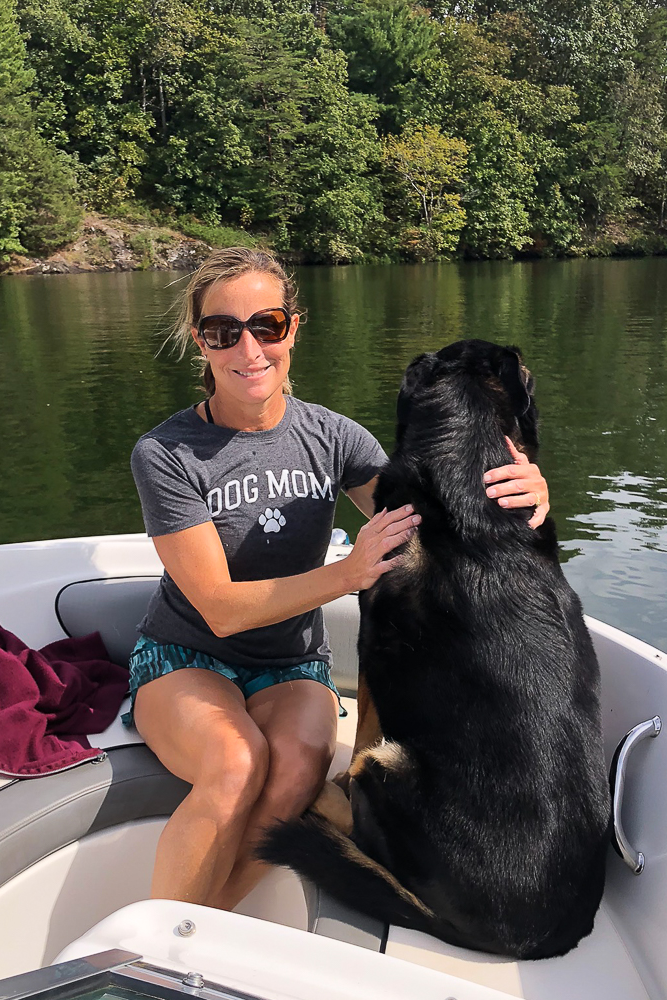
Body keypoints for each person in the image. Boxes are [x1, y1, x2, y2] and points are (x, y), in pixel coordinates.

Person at [128, 247, 551, 907]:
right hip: (186, 657)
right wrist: (349, 572)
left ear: (293, 328)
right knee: (237, 763)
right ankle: (159, 954)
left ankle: (193, 933)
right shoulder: (166, 454)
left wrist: (524, 496)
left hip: (292, 665)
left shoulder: (331, 437)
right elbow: (219, 608)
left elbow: (436, 516)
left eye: (266, 325)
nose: (249, 348)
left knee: (296, 772)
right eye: (223, 331)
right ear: (200, 342)